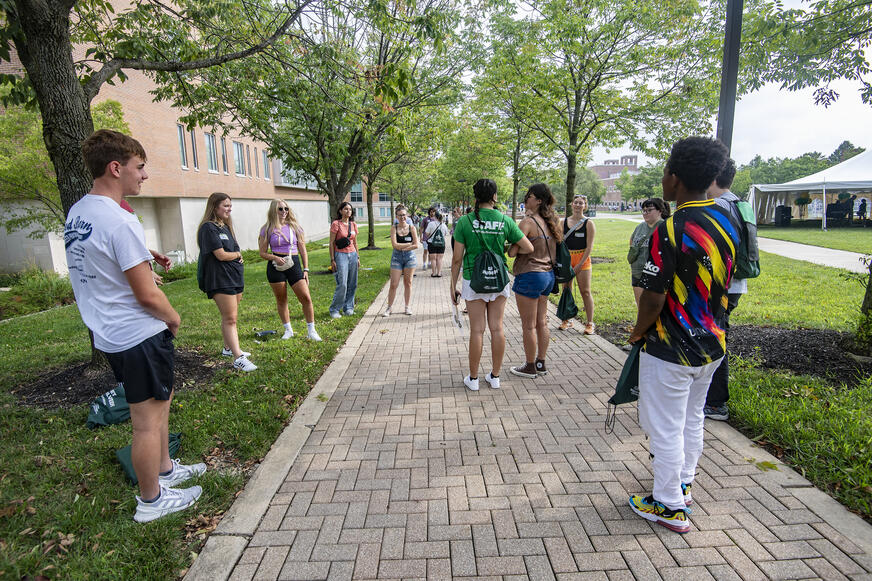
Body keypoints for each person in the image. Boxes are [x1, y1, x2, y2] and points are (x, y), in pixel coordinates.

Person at [66, 129, 204, 523]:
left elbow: (102, 259)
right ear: (116, 168)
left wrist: (143, 255)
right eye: (139, 167)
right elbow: (147, 295)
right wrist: (173, 317)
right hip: (138, 333)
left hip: (110, 333)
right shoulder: (118, 220)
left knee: (161, 402)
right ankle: (151, 501)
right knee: (146, 423)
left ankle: (165, 470)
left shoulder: (80, 212)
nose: (144, 175)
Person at [627, 136, 739, 534]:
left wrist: (637, 333)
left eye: (664, 172)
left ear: (674, 179)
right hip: (712, 343)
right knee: (692, 418)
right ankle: (683, 485)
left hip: (671, 347)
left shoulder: (670, 229)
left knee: (665, 427)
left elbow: (653, 298)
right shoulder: (727, 222)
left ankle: (668, 504)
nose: (662, 180)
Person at [451, 178, 533, 391]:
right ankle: (495, 377)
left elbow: (457, 259)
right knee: (497, 328)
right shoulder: (505, 220)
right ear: (495, 196)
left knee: (477, 331)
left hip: (473, 279)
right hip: (498, 278)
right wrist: (508, 249)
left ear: (476, 197)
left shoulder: (465, 221)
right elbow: (528, 247)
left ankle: (473, 379)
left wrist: (452, 286)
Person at [702, 159, 748, 421]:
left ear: (713, 177)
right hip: (735, 284)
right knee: (716, 335)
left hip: (720, 286)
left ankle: (716, 403)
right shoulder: (740, 204)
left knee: (715, 339)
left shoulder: (718, 206)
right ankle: (711, 398)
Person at [197, 192, 256, 371]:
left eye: (230, 205)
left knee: (231, 317)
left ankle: (228, 349)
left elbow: (236, 249)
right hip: (220, 279)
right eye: (225, 205)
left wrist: (237, 255)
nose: (229, 209)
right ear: (214, 207)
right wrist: (237, 255)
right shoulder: (208, 228)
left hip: (234, 277)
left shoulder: (225, 227)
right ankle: (238, 358)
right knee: (230, 318)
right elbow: (221, 255)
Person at [508, 184, 560, 378]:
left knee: (528, 325)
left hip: (530, 274)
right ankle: (541, 362)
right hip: (548, 275)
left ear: (538, 200)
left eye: (529, 196)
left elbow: (512, 252)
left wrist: (513, 245)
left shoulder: (527, 223)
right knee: (542, 322)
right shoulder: (553, 221)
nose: (525, 199)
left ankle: (530, 366)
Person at [258, 200, 322, 342]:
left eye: (286, 208)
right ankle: (288, 330)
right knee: (281, 299)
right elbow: (262, 253)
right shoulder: (267, 229)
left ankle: (311, 331)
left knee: (306, 298)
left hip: (294, 263)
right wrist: (275, 257)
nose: (284, 211)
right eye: (280, 209)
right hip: (276, 266)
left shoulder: (295, 227)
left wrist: (306, 269)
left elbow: (303, 250)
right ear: (274, 210)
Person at [559, 194, 596, 334]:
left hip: (583, 259)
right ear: (571, 204)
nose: (578, 205)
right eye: (576, 202)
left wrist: (580, 264)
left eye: (581, 203)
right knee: (566, 290)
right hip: (567, 259)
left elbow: (589, 246)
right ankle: (567, 320)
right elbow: (559, 242)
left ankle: (590, 323)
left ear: (585, 206)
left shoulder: (589, 223)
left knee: (585, 291)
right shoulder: (562, 222)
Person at [628, 198, 670, 306]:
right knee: (641, 306)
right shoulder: (640, 227)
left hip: (656, 275)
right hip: (637, 272)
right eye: (644, 210)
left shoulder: (665, 227)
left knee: (654, 308)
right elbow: (632, 242)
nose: (645, 213)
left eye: (649, 210)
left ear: (660, 211)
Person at [383, 204, 419, 316]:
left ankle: (407, 307)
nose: (402, 217)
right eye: (400, 215)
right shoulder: (394, 228)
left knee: (408, 283)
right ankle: (389, 308)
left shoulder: (412, 228)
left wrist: (404, 247)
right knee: (394, 284)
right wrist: (409, 244)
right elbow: (395, 245)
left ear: (407, 215)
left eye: (404, 215)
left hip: (410, 258)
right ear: (396, 216)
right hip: (396, 258)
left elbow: (416, 245)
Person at [329, 201, 359, 318]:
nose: (348, 211)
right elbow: (331, 243)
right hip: (340, 255)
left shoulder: (353, 224)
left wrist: (358, 257)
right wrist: (332, 259)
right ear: (341, 211)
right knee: (342, 284)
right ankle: (334, 309)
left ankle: (348, 308)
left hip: (353, 254)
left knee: (352, 283)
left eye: (350, 209)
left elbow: (355, 242)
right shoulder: (336, 224)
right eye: (346, 209)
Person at [425, 211, 449, 277]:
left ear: (435, 216)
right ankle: (439, 273)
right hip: (441, 244)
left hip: (432, 243)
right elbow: (446, 234)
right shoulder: (444, 225)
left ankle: (434, 273)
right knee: (440, 259)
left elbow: (427, 233)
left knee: (433, 259)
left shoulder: (431, 224)